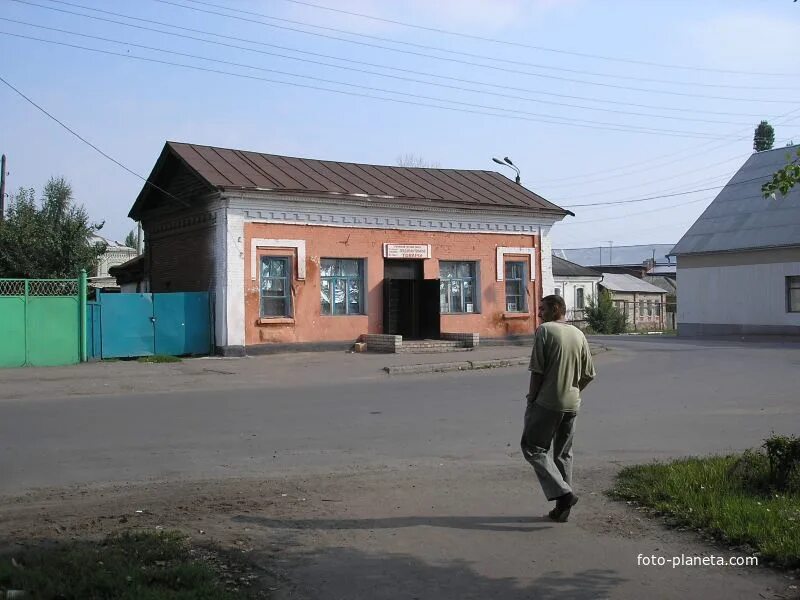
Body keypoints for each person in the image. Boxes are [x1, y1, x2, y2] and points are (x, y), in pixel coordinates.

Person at [521, 294, 595, 522]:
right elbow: (589, 374)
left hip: (547, 402)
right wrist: (573, 392)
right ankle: (562, 510)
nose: (539, 313)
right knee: (563, 454)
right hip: (572, 404)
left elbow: (537, 371)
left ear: (555, 309)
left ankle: (564, 492)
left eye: (542, 308)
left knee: (532, 448)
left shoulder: (545, 331)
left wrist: (532, 400)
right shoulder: (579, 334)